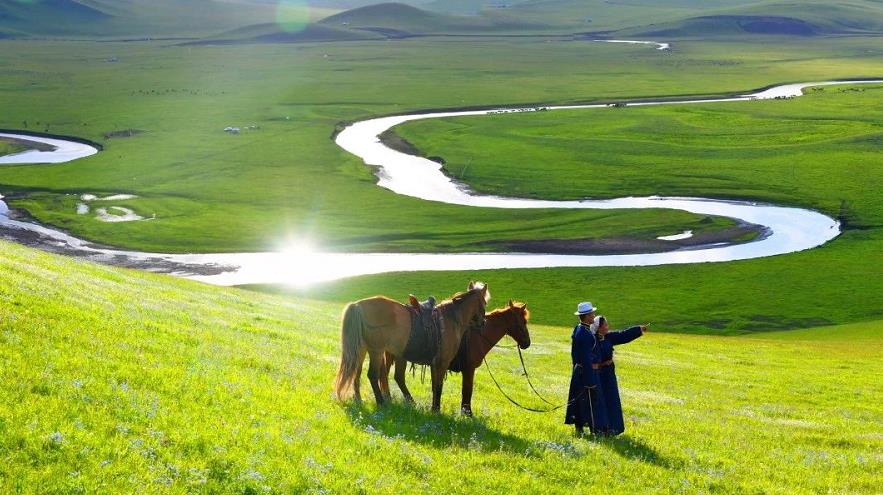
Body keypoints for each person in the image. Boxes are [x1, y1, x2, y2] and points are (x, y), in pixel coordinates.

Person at [592, 315, 648, 435]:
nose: (608, 327)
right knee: (601, 401)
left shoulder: (609, 337)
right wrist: (602, 364)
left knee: (612, 399)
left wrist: (638, 329)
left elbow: (623, 335)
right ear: (599, 327)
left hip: (609, 375)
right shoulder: (592, 340)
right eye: (605, 325)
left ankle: (614, 428)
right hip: (598, 375)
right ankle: (601, 428)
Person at [564, 301, 609, 436]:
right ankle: (595, 430)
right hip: (587, 372)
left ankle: (580, 428)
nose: (594, 316)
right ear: (587, 316)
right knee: (590, 401)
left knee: (580, 401)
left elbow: (574, 354)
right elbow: (586, 358)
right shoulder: (585, 334)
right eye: (592, 314)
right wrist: (590, 380)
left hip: (580, 371)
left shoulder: (579, 329)